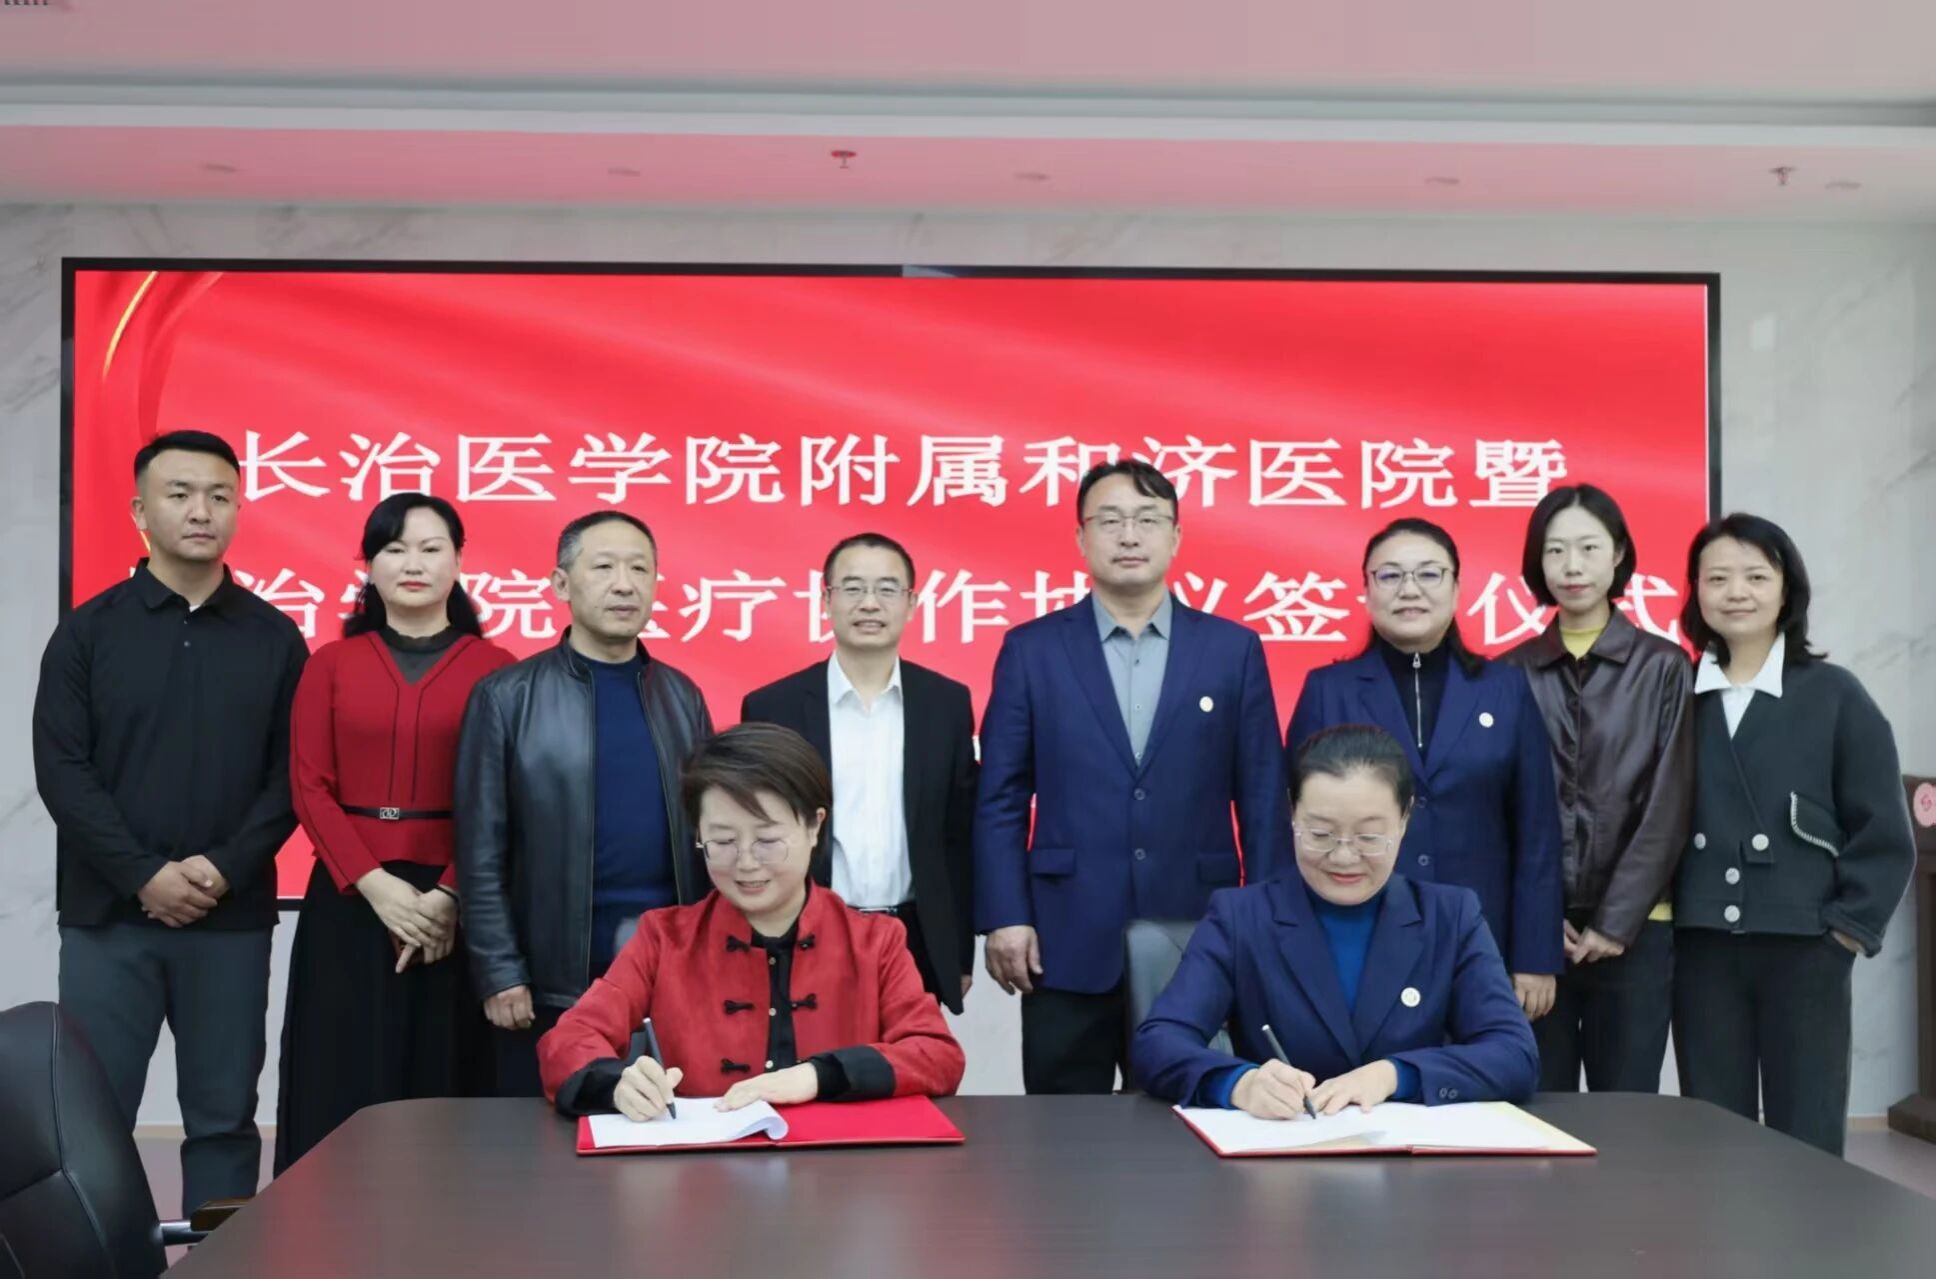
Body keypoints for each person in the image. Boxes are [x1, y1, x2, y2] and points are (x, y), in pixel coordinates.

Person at [33, 430, 308, 1213]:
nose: (201, 511)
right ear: (139, 510)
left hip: (230, 921)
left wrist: (222, 867)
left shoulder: (274, 637)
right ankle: (101, 1260)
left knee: (225, 1119)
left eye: (220, 496)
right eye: (180, 493)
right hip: (109, 918)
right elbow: (63, 771)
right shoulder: (88, 633)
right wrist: (142, 874)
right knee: (93, 1119)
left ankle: (223, 1262)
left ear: (238, 509)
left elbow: (292, 778)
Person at [977, 460, 1290, 1094]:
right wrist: (1006, 915)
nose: (1128, 536)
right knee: (1064, 1130)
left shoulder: (1231, 650)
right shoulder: (1032, 650)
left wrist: (1268, 924)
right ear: (1081, 537)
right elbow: (1001, 797)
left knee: (1190, 1116)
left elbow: (1262, 800)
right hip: (1066, 935)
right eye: (1110, 520)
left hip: (1197, 931)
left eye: (1147, 520)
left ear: (1175, 537)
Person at [539, 723, 965, 1115]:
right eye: (723, 841)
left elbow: (937, 1054)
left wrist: (819, 1075)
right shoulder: (663, 938)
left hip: (839, 1165)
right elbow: (569, 1040)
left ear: (814, 826)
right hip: (704, 1166)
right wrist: (617, 1085)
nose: (745, 862)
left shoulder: (876, 940)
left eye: (767, 840)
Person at [274, 494, 515, 1172]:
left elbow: (505, 797)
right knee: (340, 1070)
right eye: (395, 548)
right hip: (350, 901)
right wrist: (378, 888)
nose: (413, 563)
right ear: (369, 563)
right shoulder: (330, 662)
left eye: (431, 548)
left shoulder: (497, 668)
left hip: (454, 906)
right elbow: (309, 786)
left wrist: (449, 896)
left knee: (444, 1073)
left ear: (458, 562)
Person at [1132, 725, 1537, 1113]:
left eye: (1368, 837)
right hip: (1281, 1150)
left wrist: (1395, 1075)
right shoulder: (1240, 917)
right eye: (1321, 834)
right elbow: (1158, 1044)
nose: (1344, 856)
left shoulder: (1451, 916)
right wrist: (1239, 1084)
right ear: (1293, 813)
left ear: (1404, 819)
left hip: (1406, 1155)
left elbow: (1514, 1055)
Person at [1672, 514, 1914, 1156]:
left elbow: (1884, 831)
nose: (1736, 592)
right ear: (1696, 592)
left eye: (1756, 576)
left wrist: (1845, 932)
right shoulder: (1677, 692)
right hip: (1701, 946)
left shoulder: (1835, 694)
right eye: (1717, 578)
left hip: (1806, 946)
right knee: (1710, 1133)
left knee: (1807, 1132)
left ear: (1787, 591)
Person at [456, 511, 714, 1097]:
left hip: (669, 976)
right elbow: (479, 852)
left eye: (639, 569)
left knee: (669, 1132)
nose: (624, 584)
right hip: (551, 980)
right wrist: (499, 970)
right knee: (543, 1138)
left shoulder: (682, 696)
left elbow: (710, 837)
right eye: (603, 567)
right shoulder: (506, 698)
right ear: (561, 584)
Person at [1286, 518, 1564, 1017]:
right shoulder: (1328, 690)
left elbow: (1537, 830)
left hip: (1482, 936)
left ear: (1457, 588)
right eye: (1390, 575)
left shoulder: (1504, 689)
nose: (1409, 589)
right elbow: (1294, 825)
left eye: (1429, 574)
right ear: (1367, 590)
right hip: (1355, 933)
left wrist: (1535, 955)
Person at [1501, 485, 1693, 1092]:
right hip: (1538, 936)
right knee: (1539, 1104)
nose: (1572, 566)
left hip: (1637, 929)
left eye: (1588, 548)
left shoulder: (1663, 666)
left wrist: (1615, 921)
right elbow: (1500, 809)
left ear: (1619, 555)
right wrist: (1535, 920)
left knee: (1627, 1108)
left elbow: (1669, 804)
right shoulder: (1509, 672)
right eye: (1555, 550)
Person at [741, 532, 978, 1013]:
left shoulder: (946, 704)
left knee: (907, 1058)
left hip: (915, 938)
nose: (870, 603)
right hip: (804, 931)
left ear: (911, 604)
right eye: (852, 588)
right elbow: (757, 835)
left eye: (887, 589)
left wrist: (958, 950)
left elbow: (958, 835)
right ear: (826, 601)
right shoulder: (773, 707)